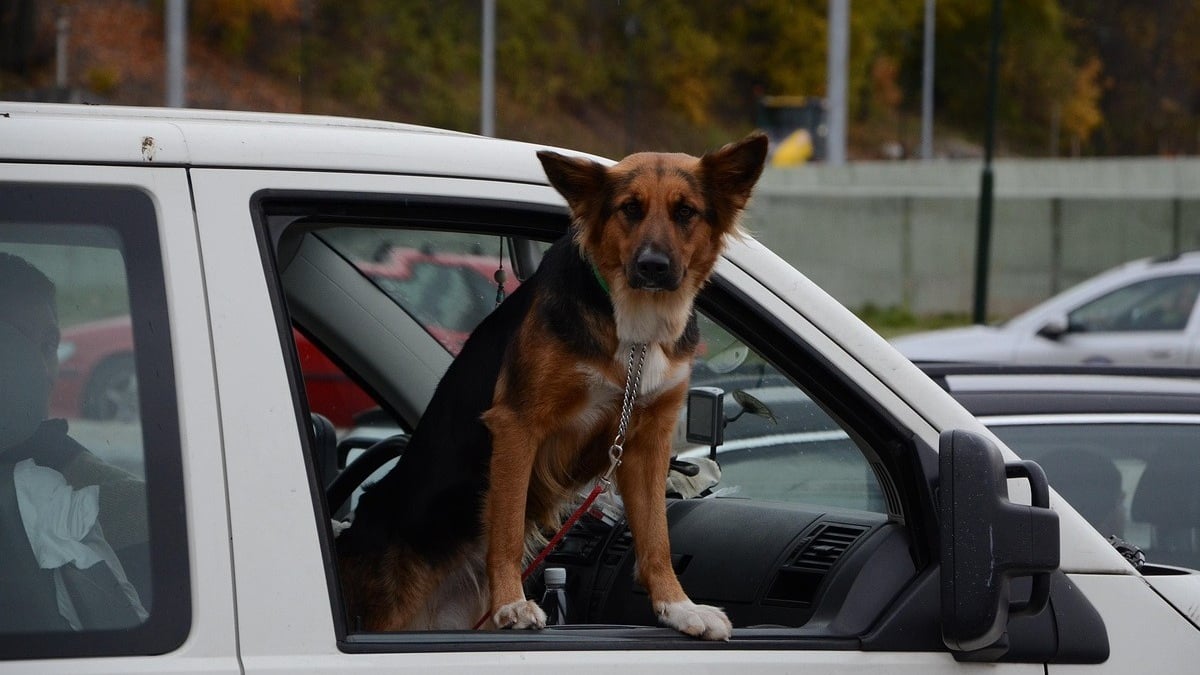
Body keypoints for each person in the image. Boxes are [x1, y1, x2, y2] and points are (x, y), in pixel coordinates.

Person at [0, 251, 148, 631]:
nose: (42, 371)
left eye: (49, 345)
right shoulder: (51, 495)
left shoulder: (70, 478)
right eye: (14, 349)